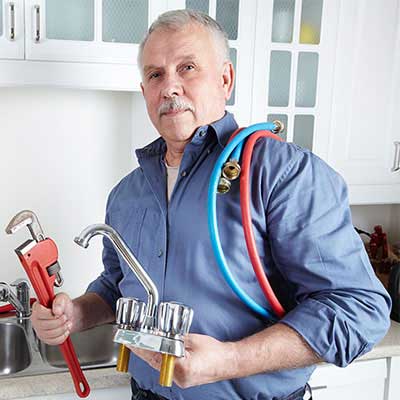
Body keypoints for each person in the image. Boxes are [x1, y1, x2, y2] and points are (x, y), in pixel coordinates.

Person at [31, 10, 391, 400]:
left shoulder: (283, 173)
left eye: (187, 68)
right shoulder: (126, 194)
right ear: (145, 91)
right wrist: (77, 313)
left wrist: (230, 360)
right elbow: (117, 287)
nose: (169, 87)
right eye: (155, 75)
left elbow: (358, 310)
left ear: (225, 80)